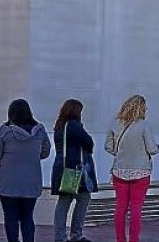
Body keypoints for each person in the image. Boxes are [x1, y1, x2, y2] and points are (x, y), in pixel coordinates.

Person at [0, 99, 51, 242]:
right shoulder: (40, 130)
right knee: (28, 216)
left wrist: (8, 160)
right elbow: (45, 152)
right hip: (31, 181)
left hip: (8, 181)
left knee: (10, 216)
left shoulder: (5, 130)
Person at [106, 95, 159, 242]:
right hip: (141, 172)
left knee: (120, 207)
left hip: (119, 171)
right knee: (136, 208)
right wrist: (157, 148)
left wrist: (121, 154)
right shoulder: (144, 125)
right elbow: (151, 149)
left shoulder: (114, 124)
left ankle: (120, 239)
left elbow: (108, 147)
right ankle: (134, 239)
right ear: (141, 108)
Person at [52, 99, 98, 242]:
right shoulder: (74, 125)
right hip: (74, 169)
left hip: (63, 168)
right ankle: (75, 235)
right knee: (83, 199)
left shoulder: (59, 126)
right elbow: (88, 142)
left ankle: (60, 236)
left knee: (64, 200)